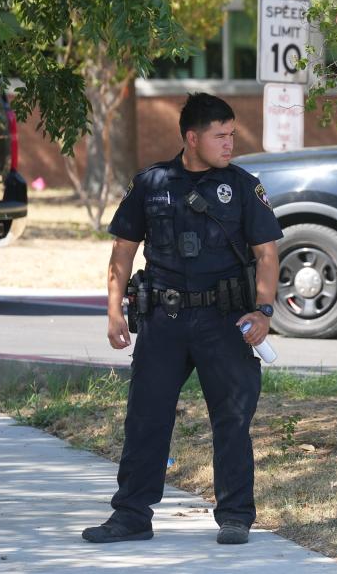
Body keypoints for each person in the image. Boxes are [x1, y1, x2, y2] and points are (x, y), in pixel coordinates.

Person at [82, 93, 282, 545]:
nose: (230, 143)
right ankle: (131, 515)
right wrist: (114, 309)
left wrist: (264, 310)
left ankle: (234, 515)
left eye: (232, 134)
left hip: (225, 320)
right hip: (164, 320)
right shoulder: (151, 184)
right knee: (146, 418)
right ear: (192, 138)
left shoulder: (244, 187)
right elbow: (123, 250)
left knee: (231, 417)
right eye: (220, 135)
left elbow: (267, 254)